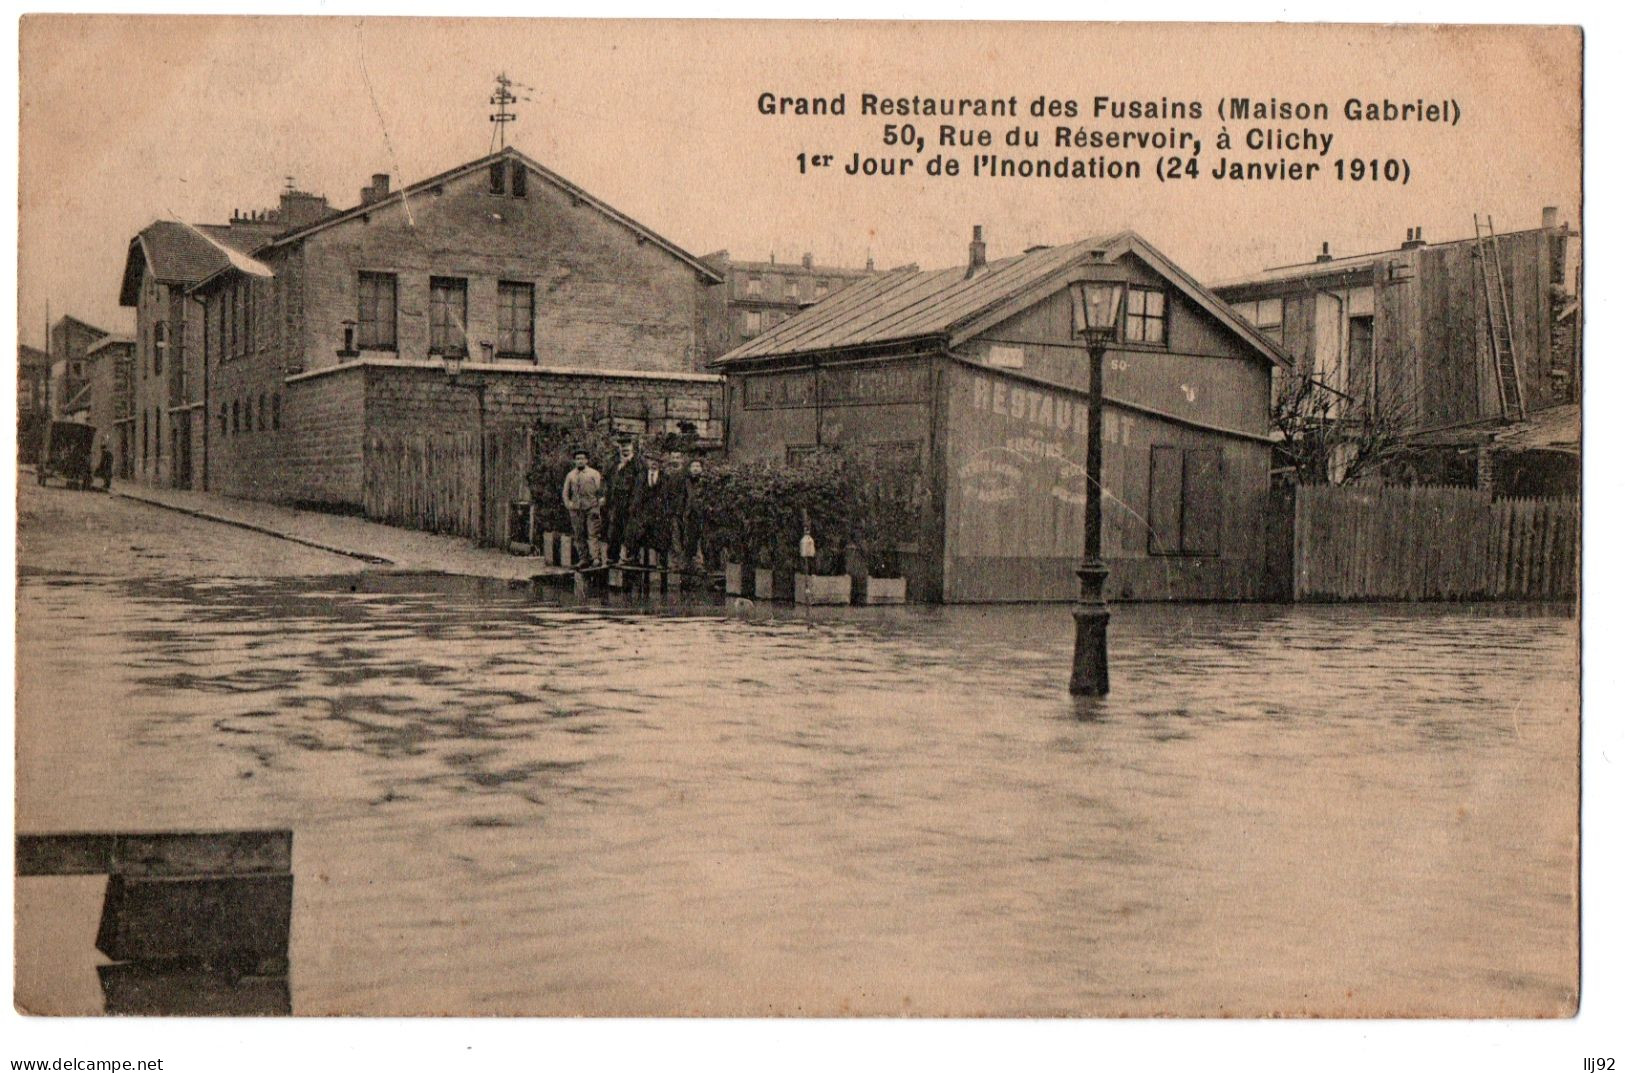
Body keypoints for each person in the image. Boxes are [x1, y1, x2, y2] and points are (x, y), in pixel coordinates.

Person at [627, 452, 675, 567]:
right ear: (647, 462)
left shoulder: (666, 478)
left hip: (659, 513)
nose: (654, 463)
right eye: (651, 460)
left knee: (662, 534)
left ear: (660, 463)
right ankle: (635, 557)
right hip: (643, 512)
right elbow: (635, 494)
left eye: (657, 461)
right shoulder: (640, 477)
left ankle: (662, 561)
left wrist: (667, 511)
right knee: (636, 531)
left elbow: (670, 496)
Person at [560, 449, 604, 568]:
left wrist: (599, 503)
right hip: (576, 509)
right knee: (579, 534)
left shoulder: (594, 473)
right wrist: (568, 504)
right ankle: (583, 559)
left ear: (586, 460)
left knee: (592, 533)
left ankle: (595, 558)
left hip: (591, 507)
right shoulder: (570, 475)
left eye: (582, 458)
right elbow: (565, 493)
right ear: (574, 461)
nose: (580, 461)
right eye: (577, 459)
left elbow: (601, 490)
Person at [602, 439, 641, 565]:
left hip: (631, 501)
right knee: (614, 530)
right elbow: (606, 480)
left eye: (627, 446)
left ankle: (632, 557)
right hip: (615, 501)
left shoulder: (638, 463)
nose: (625, 449)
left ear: (632, 447)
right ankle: (612, 557)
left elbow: (640, 484)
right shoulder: (613, 462)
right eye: (622, 446)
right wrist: (604, 496)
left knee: (631, 530)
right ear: (619, 447)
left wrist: (635, 502)